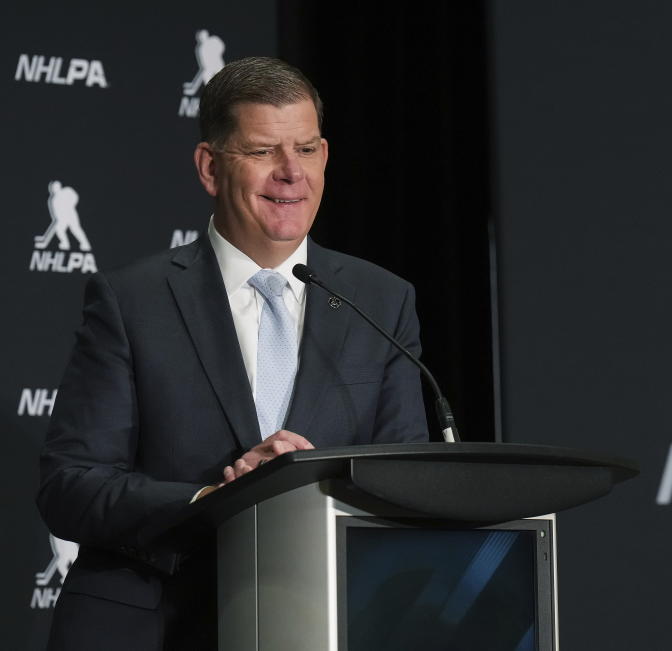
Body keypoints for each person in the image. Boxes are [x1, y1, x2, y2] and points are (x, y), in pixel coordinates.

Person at [37, 57, 428, 650]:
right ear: (209, 167)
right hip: (158, 625)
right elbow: (70, 486)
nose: (290, 173)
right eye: (263, 151)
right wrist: (213, 500)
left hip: (323, 625)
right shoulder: (131, 300)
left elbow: (407, 477)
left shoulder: (382, 300)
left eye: (306, 149)